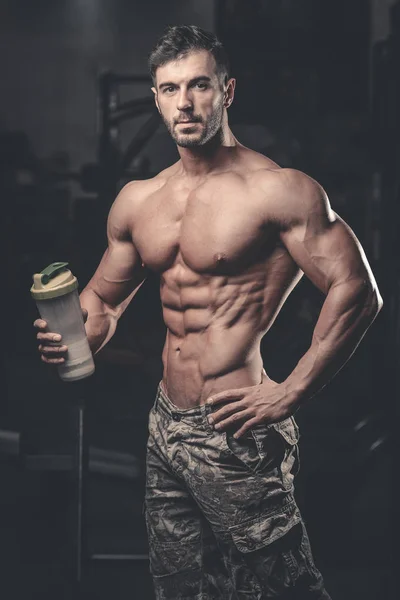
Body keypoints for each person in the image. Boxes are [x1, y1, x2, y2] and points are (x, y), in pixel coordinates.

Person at [34, 25, 382, 600]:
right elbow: (102, 301)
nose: (186, 103)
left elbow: (357, 289)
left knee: (284, 587)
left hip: (234, 427)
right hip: (165, 423)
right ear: (155, 98)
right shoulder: (138, 200)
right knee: (183, 588)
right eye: (171, 89)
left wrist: (291, 390)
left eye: (199, 86)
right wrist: (74, 335)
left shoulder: (277, 191)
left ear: (227, 91)